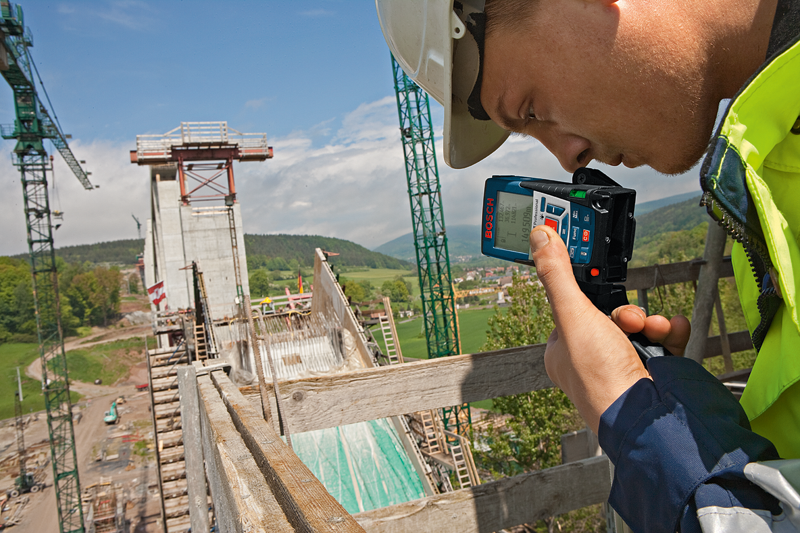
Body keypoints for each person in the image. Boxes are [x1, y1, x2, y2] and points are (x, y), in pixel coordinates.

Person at [376, 0, 800, 531]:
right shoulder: (769, 158)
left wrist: (642, 427)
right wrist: (698, 425)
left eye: (529, 109)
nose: (567, 161)